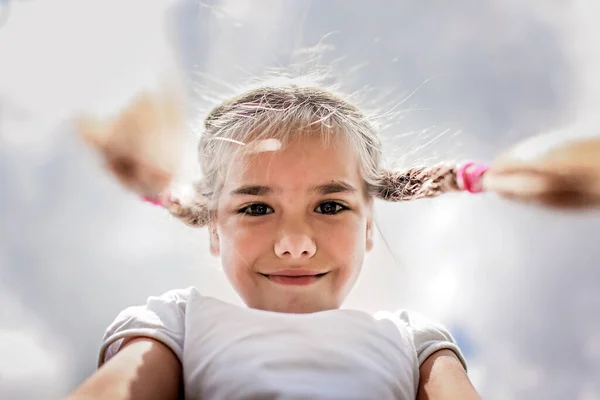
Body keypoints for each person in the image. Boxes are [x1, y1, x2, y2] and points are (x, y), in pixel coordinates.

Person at [68, 82, 486, 400]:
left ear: (369, 226)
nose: (295, 246)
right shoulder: (176, 323)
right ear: (215, 228)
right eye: (255, 209)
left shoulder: (412, 341)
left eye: (330, 207)